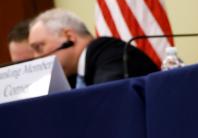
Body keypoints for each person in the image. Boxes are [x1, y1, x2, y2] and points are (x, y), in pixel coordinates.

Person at [26, 8, 157, 86]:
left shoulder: (112, 55)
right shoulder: (72, 77)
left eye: (39, 47)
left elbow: (106, 102)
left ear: (69, 37)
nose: (36, 58)